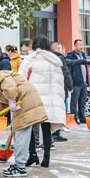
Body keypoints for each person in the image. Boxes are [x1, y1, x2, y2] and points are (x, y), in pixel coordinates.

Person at [0, 70, 48, 177]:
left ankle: (20, 167)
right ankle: (18, 165)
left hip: (24, 98)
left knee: (21, 132)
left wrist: (11, 99)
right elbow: (2, 103)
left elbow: (7, 81)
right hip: (21, 98)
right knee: (17, 132)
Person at [18, 36, 66, 168]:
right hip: (49, 100)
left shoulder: (31, 58)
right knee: (46, 128)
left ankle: (32, 154)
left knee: (29, 126)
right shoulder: (54, 60)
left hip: (33, 99)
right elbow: (59, 82)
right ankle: (46, 158)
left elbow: (20, 77)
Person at [49, 42, 80, 142]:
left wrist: (82, 61)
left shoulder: (49, 58)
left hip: (50, 89)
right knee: (59, 111)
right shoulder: (60, 58)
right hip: (59, 88)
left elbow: (70, 62)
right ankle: (56, 134)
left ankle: (51, 134)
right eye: (63, 49)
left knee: (52, 112)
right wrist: (70, 87)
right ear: (59, 49)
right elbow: (65, 73)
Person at [65, 39, 90, 124]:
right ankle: (74, 118)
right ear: (75, 46)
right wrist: (71, 82)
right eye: (79, 45)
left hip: (83, 82)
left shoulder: (83, 55)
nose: (81, 47)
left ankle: (82, 117)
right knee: (74, 102)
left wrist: (87, 80)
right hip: (76, 83)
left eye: (82, 45)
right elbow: (69, 70)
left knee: (82, 102)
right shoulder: (71, 56)